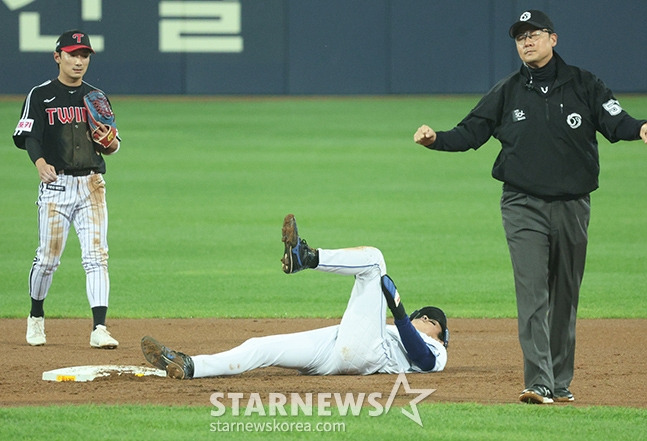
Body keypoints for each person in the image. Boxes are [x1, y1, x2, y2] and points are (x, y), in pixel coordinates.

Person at [413, 10, 647, 404]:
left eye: (534, 34)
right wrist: (436, 138)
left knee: (565, 295)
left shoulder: (584, 84)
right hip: (522, 204)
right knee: (533, 292)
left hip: (573, 205)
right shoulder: (507, 91)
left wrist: (640, 127)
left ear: (553, 39)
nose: (526, 41)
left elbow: (615, 120)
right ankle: (538, 381)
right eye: (520, 36)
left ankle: (559, 382)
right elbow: (472, 132)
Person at [141, 214, 449, 379]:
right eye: (416, 317)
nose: (419, 321)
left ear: (435, 327)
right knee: (260, 347)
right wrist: (398, 318)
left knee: (374, 260)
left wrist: (399, 313)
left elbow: (421, 361)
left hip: (369, 354)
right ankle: (190, 365)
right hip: (335, 348)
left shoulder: (437, 350)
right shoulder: (396, 328)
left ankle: (308, 257)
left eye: (425, 319)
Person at [13, 30, 121, 349]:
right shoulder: (41, 94)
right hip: (56, 185)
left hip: (91, 185)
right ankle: (36, 318)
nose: (79, 61)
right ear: (58, 56)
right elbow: (28, 136)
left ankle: (100, 327)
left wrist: (111, 143)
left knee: (97, 256)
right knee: (47, 259)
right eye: (73, 54)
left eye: (84, 55)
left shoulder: (96, 96)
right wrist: (40, 162)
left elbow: (112, 144)